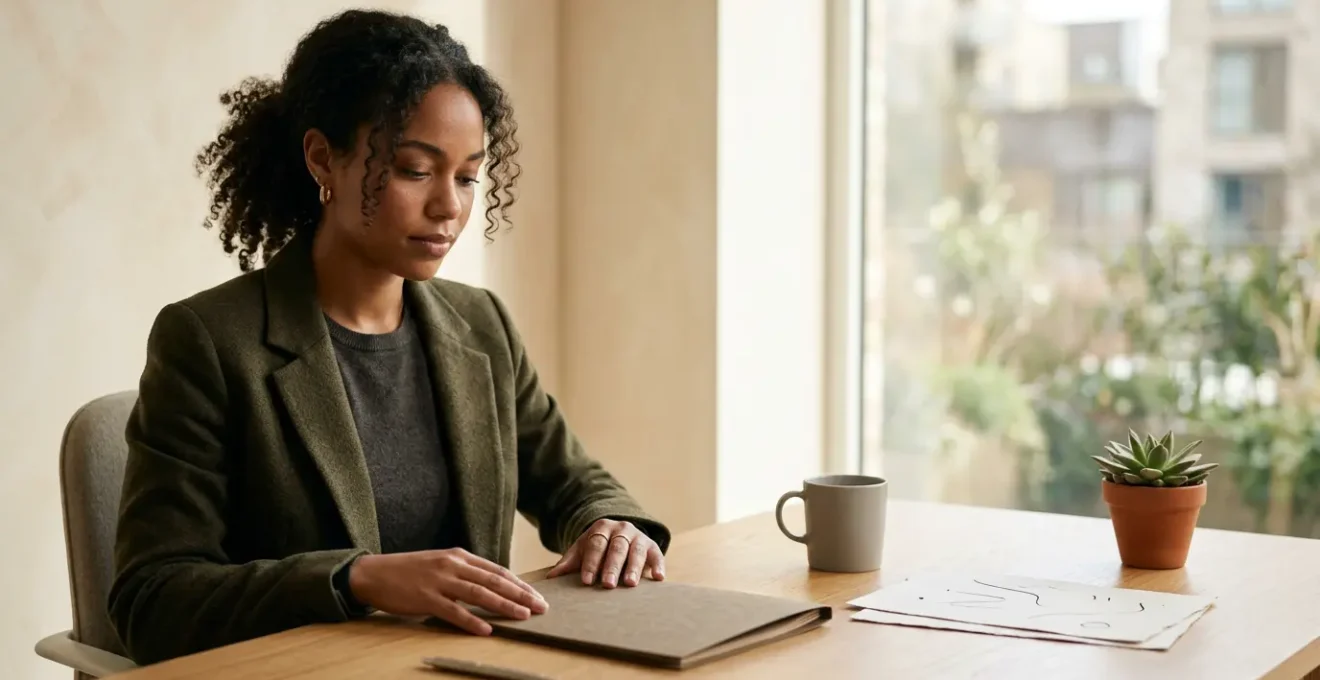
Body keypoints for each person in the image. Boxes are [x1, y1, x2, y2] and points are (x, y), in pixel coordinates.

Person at [108, 9, 670, 666]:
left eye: (466, 176)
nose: (450, 207)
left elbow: (573, 482)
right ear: (324, 158)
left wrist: (610, 525)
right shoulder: (208, 341)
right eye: (414, 169)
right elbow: (153, 600)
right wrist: (354, 578)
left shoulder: (480, 325)